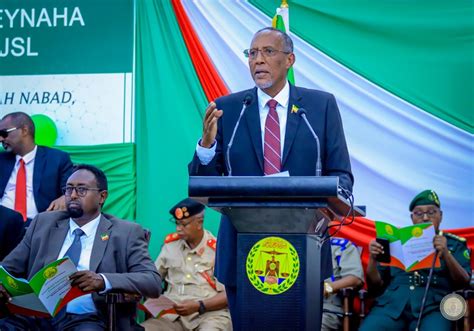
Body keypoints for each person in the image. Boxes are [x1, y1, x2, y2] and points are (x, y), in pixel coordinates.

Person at [189, 27, 353, 325]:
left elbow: (341, 175)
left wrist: (327, 203)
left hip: (305, 247)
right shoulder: (229, 109)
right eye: (252, 53)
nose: (258, 60)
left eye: (267, 52)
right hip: (242, 245)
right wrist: (207, 145)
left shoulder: (319, 107)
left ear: (289, 60)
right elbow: (203, 183)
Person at [0, 164, 162, 330]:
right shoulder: (43, 223)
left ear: (102, 196)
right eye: (69, 189)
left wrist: (102, 280)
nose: (73, 195)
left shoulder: (125, 232)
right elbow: (6, 268)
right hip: (35, 317)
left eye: (82, 189)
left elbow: (153, 282)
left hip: (87, 318)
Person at [360, 190, 471, 331]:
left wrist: (446, 255)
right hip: (392, 305)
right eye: (419, 213)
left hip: (433, 307)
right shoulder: (395, 241)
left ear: (440, 216)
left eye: (431, 212)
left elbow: (464, 282)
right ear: (412, 217)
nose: (425, 218)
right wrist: (372, 259)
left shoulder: (453, 244)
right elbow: (375, 286)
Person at [142, 198, 231, 331]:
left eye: (184, 224)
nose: (178, 229)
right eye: (177, 224)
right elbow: (152, 279)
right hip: (173, 317)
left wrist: (199, 305)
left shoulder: (217, 250)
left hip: (209, 315)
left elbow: (229, 294)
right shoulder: (170, 247)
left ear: (199, 222)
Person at [0, 112, 73, 224]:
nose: (1, 139)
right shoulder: (2, 160)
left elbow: (71, 190)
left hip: (39, 225)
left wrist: (65, 197)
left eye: (4, 133)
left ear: (24, 130)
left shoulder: (57, 159)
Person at [322, 237, 364, 331]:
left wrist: (327, 288)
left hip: (326, 311)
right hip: (292, 308)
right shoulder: (293, 245)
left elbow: (355, 279)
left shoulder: (341, 246)